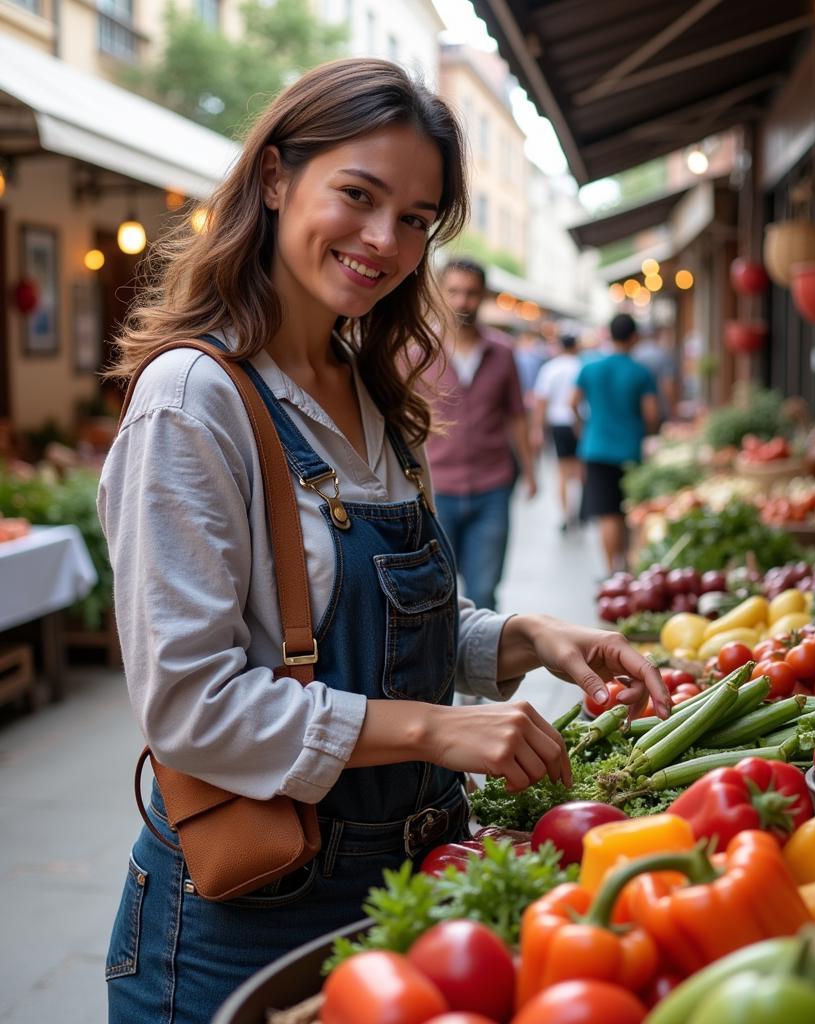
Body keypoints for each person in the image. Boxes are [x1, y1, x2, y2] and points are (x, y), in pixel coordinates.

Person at [98, 59, 669, 1024]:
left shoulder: (374, 396)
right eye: (358, 196)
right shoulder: (194, 402)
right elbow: (191, 708)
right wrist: (441, 727)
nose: (383, 241)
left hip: (405, 891)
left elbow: (401, 620)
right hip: (247, 912)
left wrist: (530, 640)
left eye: (415, 218)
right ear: (275, 179)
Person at [424, 259, 536, 611]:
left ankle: (478, 667)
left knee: (484, 591)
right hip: (435, 488)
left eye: (471, 293)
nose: (462, 302)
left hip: (493, 486)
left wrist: (531, 472)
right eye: (454, 292)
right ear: (440, 293)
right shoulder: (418, 350)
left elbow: (516, 415)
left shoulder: (502, 352)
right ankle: (445, 666)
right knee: (435, 593)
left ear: (484, 295)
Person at [573, 312, 660, 573]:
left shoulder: (590, 368)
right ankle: (629, 566)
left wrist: (585, 429)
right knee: (629, 512)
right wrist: (645, 434)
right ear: (634, 338)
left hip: (596, 448)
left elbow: (572, 403)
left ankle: (612, 571)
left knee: (607, 514)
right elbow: (652, 415)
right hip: (630, 450)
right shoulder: (640, 372)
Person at [532, 333, 582, 532]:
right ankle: (578, 511)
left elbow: (541, 401)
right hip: (580, 421)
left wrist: (538, 429)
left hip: (558, 423)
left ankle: (565, 514)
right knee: (578, 471)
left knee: (562, 472)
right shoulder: (581, 366)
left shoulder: (551, 368)